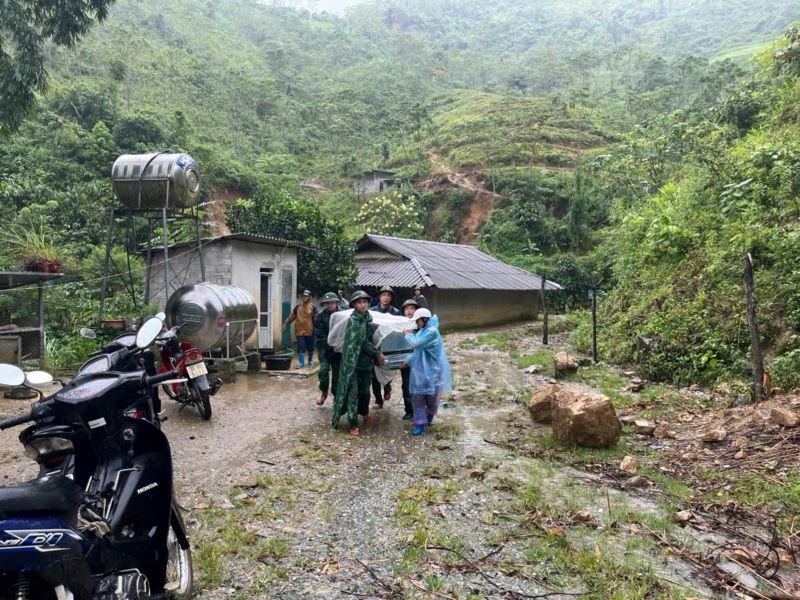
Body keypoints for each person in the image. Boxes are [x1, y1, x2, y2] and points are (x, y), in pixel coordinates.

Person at [332, 290, 384, 436]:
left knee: (365, 392)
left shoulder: (368, 318)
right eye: (359, 302)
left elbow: (370, 338)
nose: (362, 305)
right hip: (351, 363)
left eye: (365, 302)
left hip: (365, 363)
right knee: (352, 393)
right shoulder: (353, 321)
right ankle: (353, 423)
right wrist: (376, 353)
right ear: (354, 305)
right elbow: (361, 342)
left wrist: (377, 351)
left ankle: (364, 412)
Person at [402, 308, 452, 436]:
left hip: (433, 371)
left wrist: (407, 334)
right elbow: (417, 352)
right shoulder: (422, 331)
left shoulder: (431, 332)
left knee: (432, 398)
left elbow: (416, 344)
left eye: (417, 321)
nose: (416, 323)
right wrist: (407, 360)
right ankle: (419, 423)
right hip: (420, 371)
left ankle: (428, 416)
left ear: (424, 319)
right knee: (418, 398)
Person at [370, 285, 401, 408]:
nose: (386, 298)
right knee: (374, 375)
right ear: (379, 297)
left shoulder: (396, 312)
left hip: (390, 348)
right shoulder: (372, 312)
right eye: (384, 295)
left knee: (388, 371)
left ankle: (387, 388)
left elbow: (399, 331)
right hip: (375, 346)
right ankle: (378, 400)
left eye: (388, 295)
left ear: (391, 297)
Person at [314, 292, 340, 406]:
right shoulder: (320, 316)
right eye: (327, 303)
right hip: (325, 350)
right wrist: (331, 344)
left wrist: (338, 345)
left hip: (338, 351)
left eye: (332, 302)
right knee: (323, 371)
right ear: (324, 304)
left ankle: (336, 396)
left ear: (336, 303)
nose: (330, 305)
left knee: (337, 375)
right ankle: (324, 392)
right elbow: (319, 336)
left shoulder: (342, 315)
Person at [282, 289, 318, 368]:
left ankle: (310, 359)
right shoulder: (298, 307)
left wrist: (318, 327)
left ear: (309, 297)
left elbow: (316, 318)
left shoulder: (313, 307)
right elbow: (291, 317)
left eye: (306, 296)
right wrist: (285, 323)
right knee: (300, 347)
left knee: (310, 347)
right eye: (303, 296)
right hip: (299, 331)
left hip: (310, 331)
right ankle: (301, 363)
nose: (304, 297)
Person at [399, 298, 418, 420]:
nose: (409, 311)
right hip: (405, 360)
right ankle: (408, 411)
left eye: (412, 308)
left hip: (418, 361)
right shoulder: (400, 323)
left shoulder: (420, 325)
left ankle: (418, 412)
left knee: (417, 387)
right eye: (407, 308)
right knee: (406, 386)